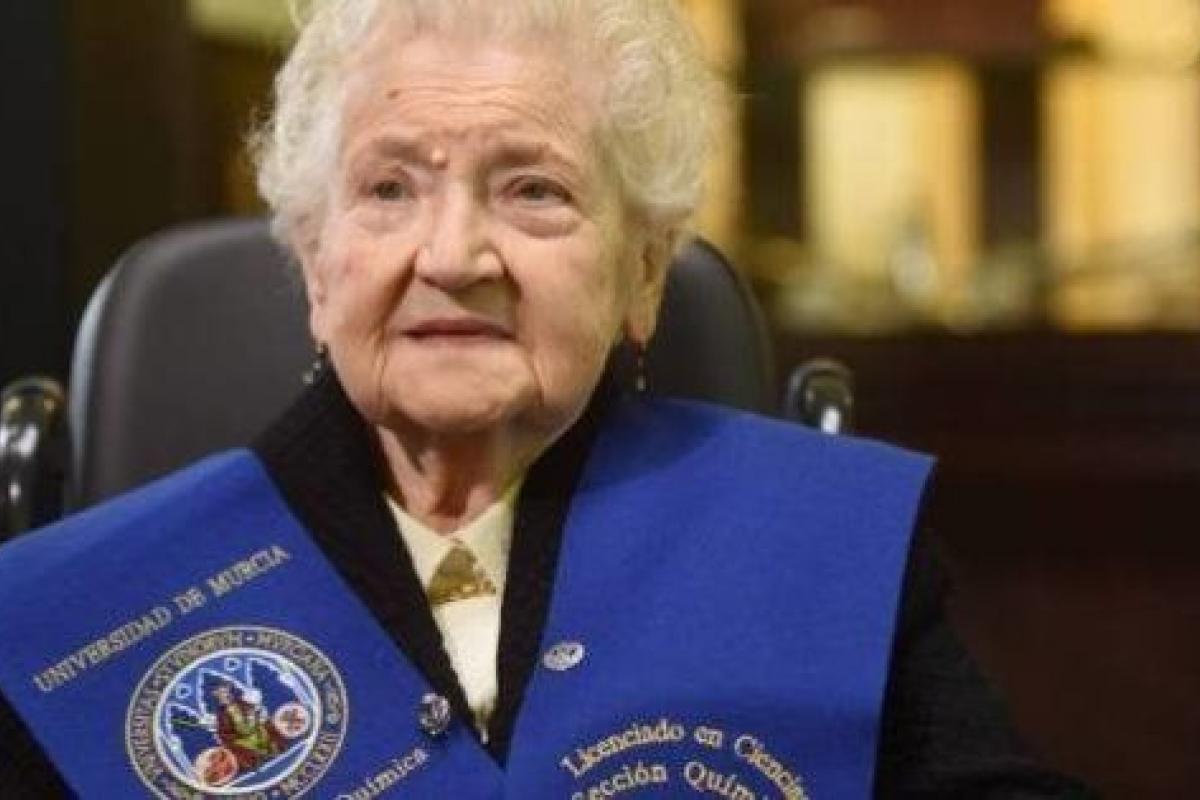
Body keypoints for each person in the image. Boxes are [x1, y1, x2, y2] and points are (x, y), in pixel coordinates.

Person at [0, 0, 1096, 797]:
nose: (452, 253)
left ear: (644, 273)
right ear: (316, 262)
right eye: (390, 187)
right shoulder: (83, 620)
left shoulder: (820, 548)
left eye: (534, 189)